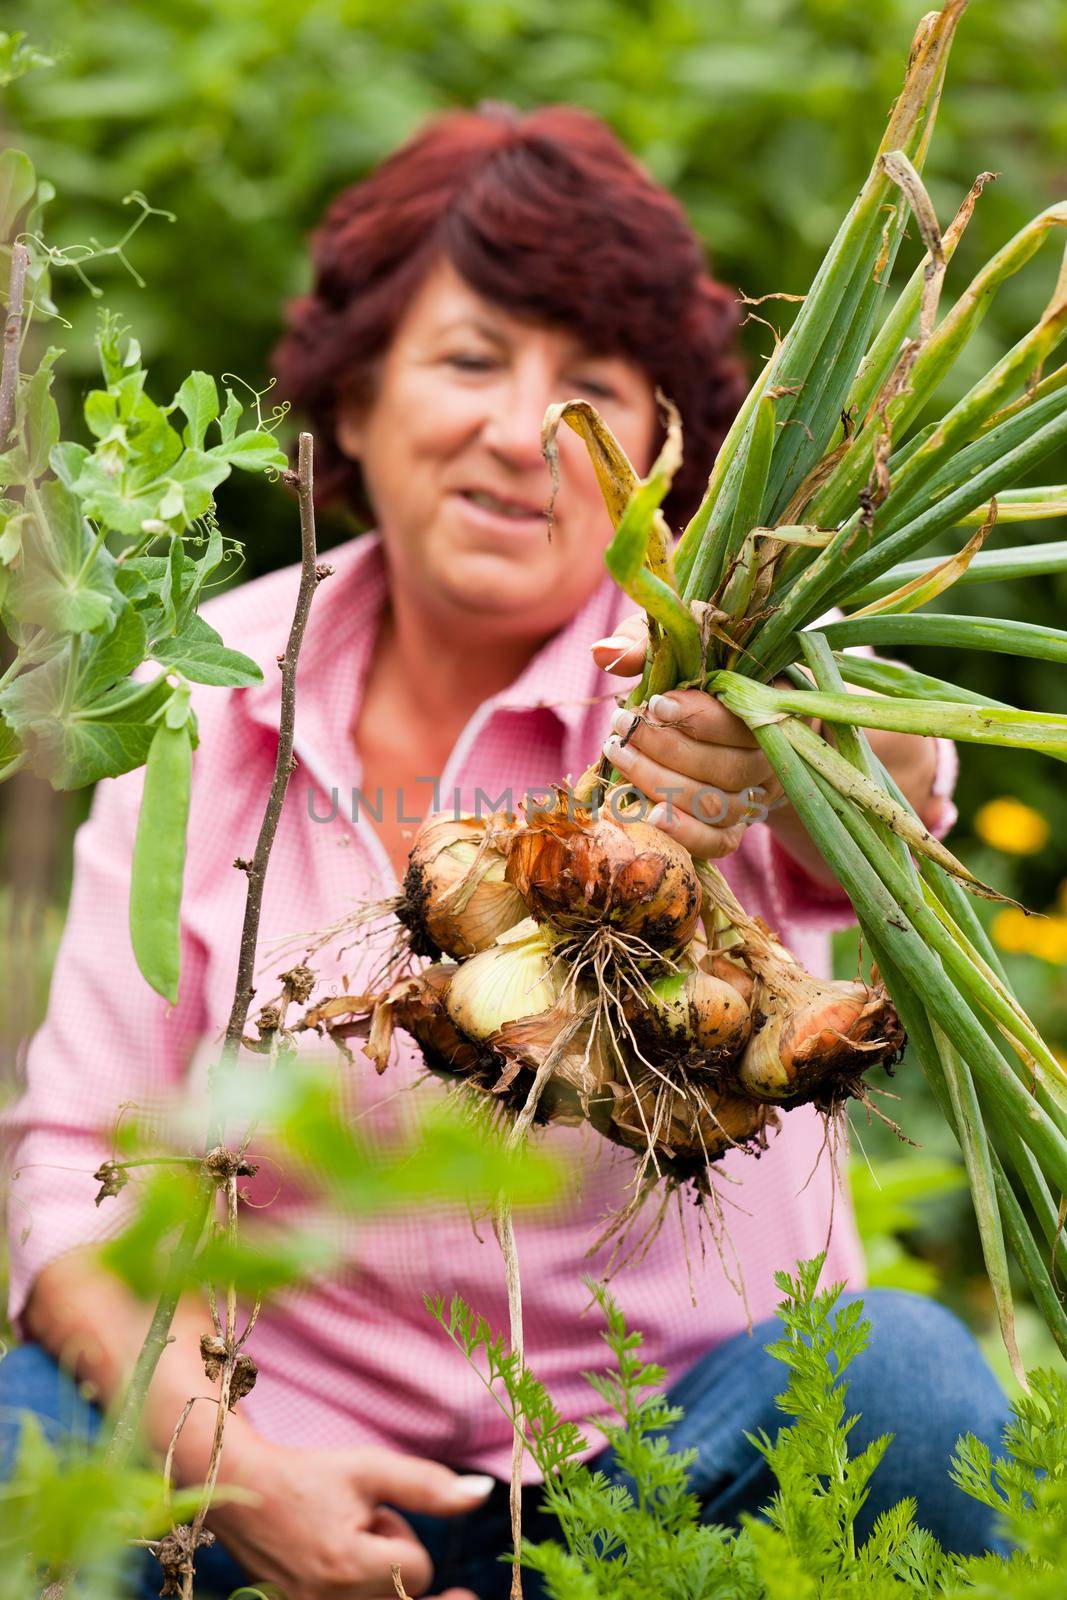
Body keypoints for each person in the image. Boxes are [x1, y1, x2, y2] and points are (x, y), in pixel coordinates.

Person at [1, 104, 1009, 1599]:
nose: (527, 427)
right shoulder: (205, 691)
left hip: (679, 1460)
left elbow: (886, 806)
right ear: (352, 402)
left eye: (590, 385)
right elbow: (73, 1161)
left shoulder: (721, 681)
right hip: (278, 1460)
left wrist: (789, 750)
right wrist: (231, 1470)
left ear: (662, 451)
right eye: (472, 358)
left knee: (910, 1389)